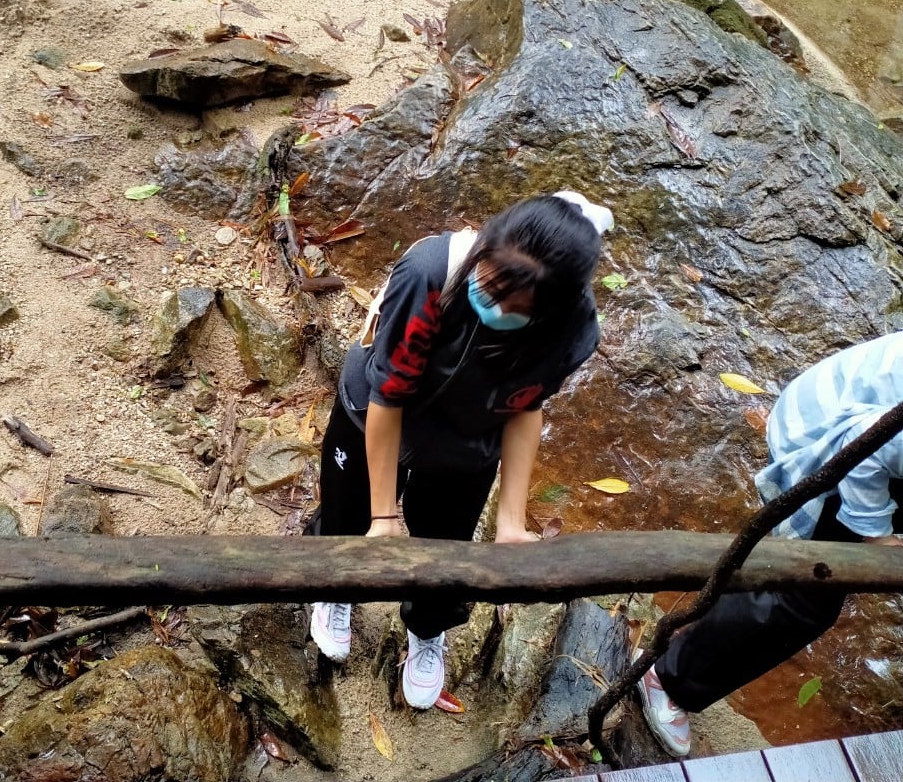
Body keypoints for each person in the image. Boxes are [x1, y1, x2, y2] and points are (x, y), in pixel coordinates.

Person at [306, 192, 612, 709]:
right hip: (372, 414)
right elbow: (389, 393)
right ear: (484, 248)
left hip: (467, 441)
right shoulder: (429, 274)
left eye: (519, 308)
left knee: (446, 547)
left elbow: (525, 406)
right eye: (491, 286)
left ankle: (428, 629)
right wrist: (383, 518)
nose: (498, 309)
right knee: (347, 514)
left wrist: (510, 521)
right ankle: (337, 589)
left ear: (553, 309)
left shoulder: (574, 330)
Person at [638, 333, 903, 757]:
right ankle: (669, 677)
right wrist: (877, 534)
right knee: (801, 601)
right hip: (822, 437)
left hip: (861, 425)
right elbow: (865, 443)